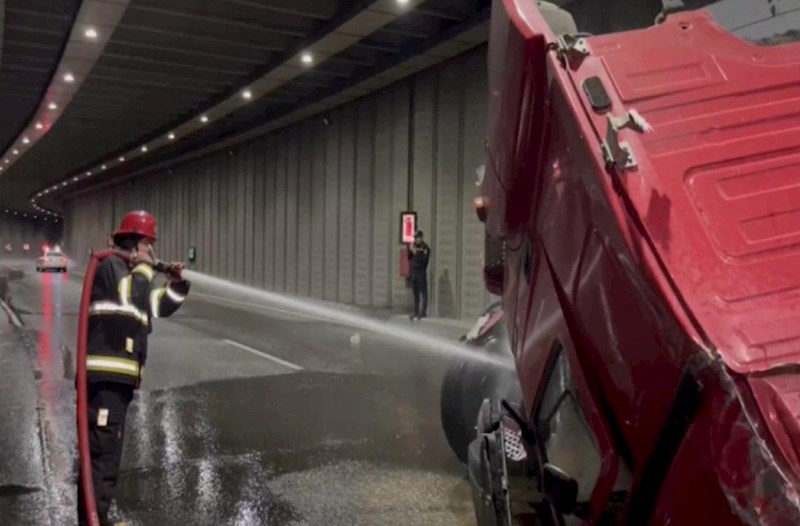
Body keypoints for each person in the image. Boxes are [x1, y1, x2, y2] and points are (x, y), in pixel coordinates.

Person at [78, 210, 190, 526]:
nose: (153, 252)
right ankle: (93, 520)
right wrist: (144, 269)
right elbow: (133, 295)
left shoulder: (129, 274)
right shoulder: (111, 267)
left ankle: (96, 517)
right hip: (105, 381)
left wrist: (176, 284)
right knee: (103, 457)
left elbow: (157, 305)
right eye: (148, 245)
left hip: (118, 383)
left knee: (106, 454)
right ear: (135, 243)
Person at [408, 230, 431, 320]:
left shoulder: (425, 248)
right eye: (414, 238)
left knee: (423, 292)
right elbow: (409, 258)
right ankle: (415, 311)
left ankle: (423, 311)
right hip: (414, 272)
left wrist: (415, 252)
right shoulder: (413, 246)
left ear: (420, 238)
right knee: (415, 292)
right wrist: (410, 250)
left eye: (417, 238)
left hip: (421, 271)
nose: (415, 240)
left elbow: (424, 260)